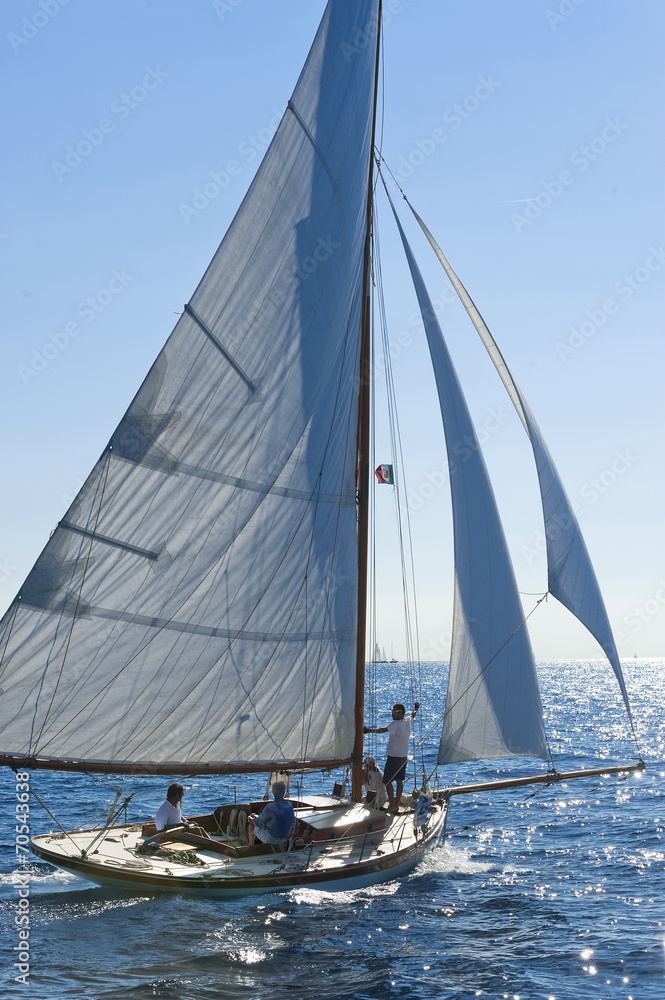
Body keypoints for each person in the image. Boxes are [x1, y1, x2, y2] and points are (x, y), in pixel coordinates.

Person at [363, 702, 419, 814]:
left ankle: (392, 805)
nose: (392, 714)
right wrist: (416, 709)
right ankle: (396, 804)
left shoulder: (396, 724)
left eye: (394, 712)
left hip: (394, 758)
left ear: (400, 713)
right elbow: (413, 715)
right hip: (403, 757)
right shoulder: (407, 721)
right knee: (399, 781)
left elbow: (383, 730)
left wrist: (369, 730)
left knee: (387, 781)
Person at [248, 781, 295, 846]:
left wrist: (250, 818)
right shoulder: (289, 805)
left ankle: (250, 847)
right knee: (264, 826)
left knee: (251, 826)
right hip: (282, 839)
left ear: (273, 792)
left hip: (271, 839)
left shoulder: (270, 807)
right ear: (284, 792)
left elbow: (257, 822)